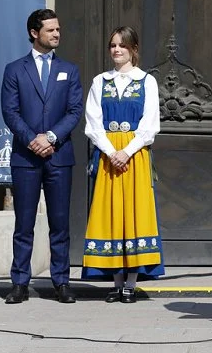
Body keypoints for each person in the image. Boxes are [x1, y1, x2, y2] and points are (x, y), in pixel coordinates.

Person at [1, 8, 83, 304]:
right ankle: (19, 282)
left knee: (59, 223)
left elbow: (75, 111)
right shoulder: (14, 70)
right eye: (50, 30)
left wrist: (50, 137)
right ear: (35, 33)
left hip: (59, 156)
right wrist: (32, 140)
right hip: (26, 157)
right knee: (24, 223)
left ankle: (61, 281)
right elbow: (10, 112)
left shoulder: (70, 70)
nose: (57, 34)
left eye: (58, 29)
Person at [82, 26, 164, 303]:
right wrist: (110, 151)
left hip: (135, 155)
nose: (117, 50)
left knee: (134, 213)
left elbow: (150, 124)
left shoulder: (146, 81)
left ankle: (131, 283)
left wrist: (126, 152)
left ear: (133, 49)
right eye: (113, 46)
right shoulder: (99, 82)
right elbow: (93, 123)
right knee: (111, 214)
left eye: (122, 46)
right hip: (107, 157)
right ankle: (115, 283)